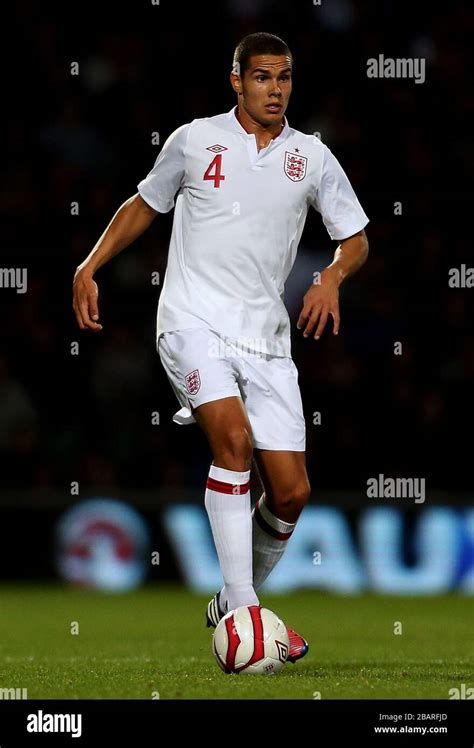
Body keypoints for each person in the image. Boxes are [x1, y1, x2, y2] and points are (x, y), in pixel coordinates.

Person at [73, 31, 369, 664]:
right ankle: (247, 616)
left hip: (266, 338)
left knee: (290, 493)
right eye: (263, 77)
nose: (276, 89)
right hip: (191, 320)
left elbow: (357, 237)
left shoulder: (312, 156)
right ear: (237, 80)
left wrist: (331, 277)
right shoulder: (194, 139)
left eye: (284, 77)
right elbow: (144, 204)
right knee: (231, 441)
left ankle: (235, 600)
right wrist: (88, 266)